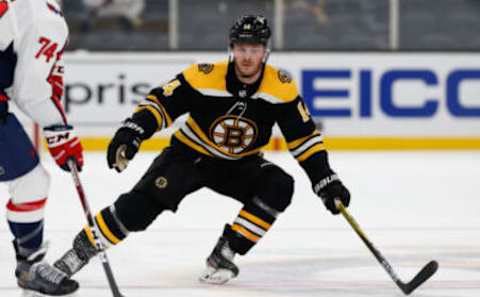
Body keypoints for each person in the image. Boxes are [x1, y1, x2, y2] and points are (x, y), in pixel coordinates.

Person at [53, 14, 350, 285]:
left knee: (279, 185)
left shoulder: (281, 88)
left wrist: (325, 179)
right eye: (242, 48)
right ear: (232, 48)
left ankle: (227, 250)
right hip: (188, 156)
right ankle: (79, 252)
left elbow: (304, 138)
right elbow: (161, 104)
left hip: (240, 165)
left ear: (265, 51)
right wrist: (132, 132)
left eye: (255, 49)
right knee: (138, 210)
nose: (248, 56)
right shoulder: (203, 76)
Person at [0, 0, 83, 295]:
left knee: (31, 182)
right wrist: (59, 130)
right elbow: (31, 91)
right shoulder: (43, 12)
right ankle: (30, 267)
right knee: (31, 184)